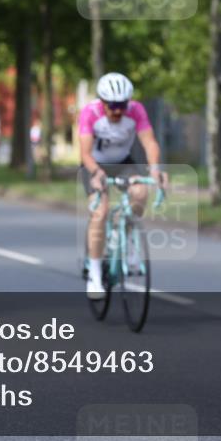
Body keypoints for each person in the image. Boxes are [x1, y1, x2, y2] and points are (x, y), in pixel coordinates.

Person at [78, 72, 167, 298]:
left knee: (140, 192)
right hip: (94, 164)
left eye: (122, 105)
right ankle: (95, 274)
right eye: (113, 105)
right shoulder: (90, 113)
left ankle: (125, 238)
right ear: (103, 102)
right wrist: (96, 173)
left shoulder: (136, 110)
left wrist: (155, 169)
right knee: (100, 211)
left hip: (122, 162)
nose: (118, 110)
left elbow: (150, 142)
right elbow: (85, 153)